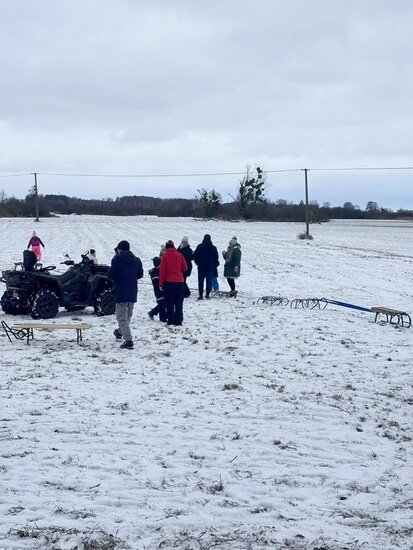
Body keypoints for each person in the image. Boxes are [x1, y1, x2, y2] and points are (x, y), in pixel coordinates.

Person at [108, 240, 143, 349]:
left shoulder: (116, 260)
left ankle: (128, 339)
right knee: (128, 315)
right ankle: (120, 332)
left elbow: (111, 275)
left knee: (121, 317)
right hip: (132, 289)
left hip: (121, 290)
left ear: (119, 249)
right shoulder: (136, 260)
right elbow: (140, 274)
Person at [159, 240, 187, 326]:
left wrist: (161, 284)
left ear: (166, 247)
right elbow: (185, 268)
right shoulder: (180, 255)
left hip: (169, 283)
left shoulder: (165, 256)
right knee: (179, 302)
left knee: (169, 303)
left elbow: (162, 271)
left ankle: (171, 320)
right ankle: (179, 320)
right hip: (180, 282)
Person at [193, 234, 219, 300]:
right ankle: (207, 294)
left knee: (200, 282)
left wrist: (198, 263)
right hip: (209, 268)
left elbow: (195, 256)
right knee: (209, 281)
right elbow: (216, 258)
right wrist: (213, 265)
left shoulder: (199, 246)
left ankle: (200, 295)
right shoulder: (213, 248)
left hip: (201, 267)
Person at [148, 256, 167, 322]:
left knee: (163, 303)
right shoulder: (155, 274)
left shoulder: (157, 271)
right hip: (158, 291)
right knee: (162, 304)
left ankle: (162, 317)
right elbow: (156, 284)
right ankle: (153, 313)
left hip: (162, 289)